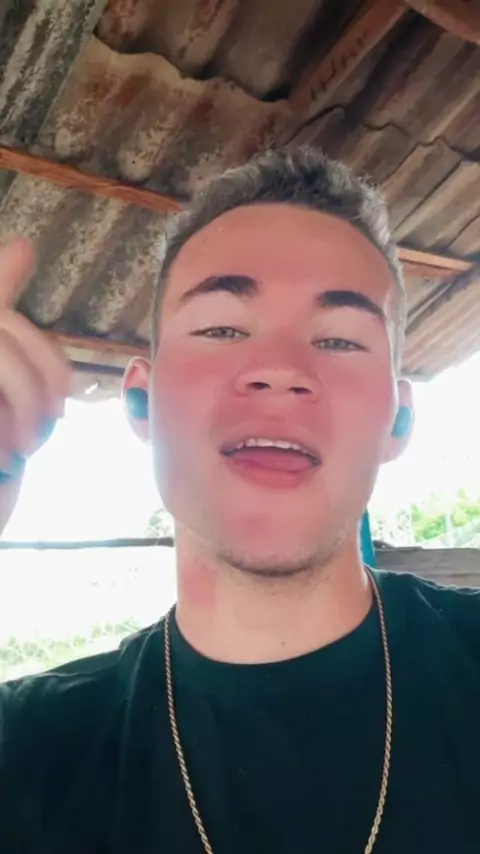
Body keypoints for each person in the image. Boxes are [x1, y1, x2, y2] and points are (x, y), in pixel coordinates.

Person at [0, 147, 478, 854]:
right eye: (221, 329)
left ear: (399, 421)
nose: (280, 369)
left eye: (339, 339)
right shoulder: (29, 752)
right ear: (141, 400)